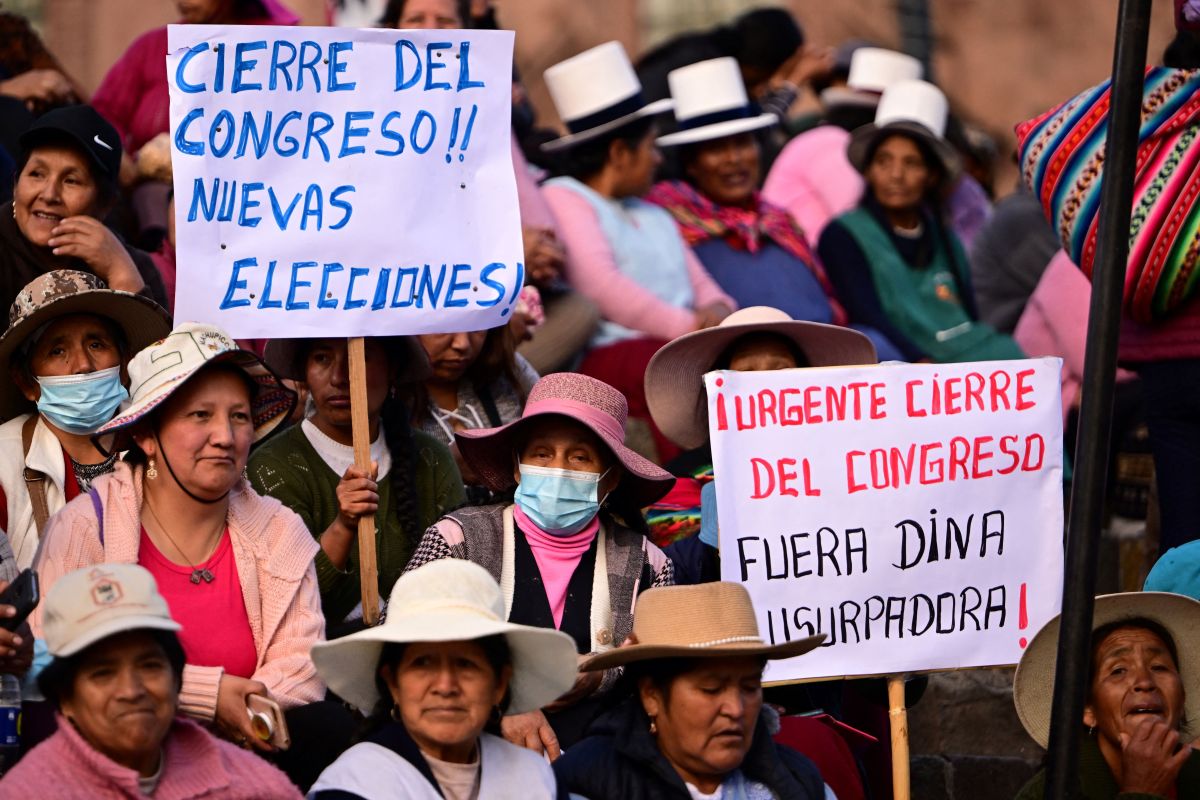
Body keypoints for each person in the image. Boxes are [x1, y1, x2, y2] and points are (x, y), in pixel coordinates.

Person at [31, 323, 340, 780]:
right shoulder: (84, 527)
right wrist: (207, 697)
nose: (225, 436)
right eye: (200, 415)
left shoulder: (278, 528)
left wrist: (247, 714)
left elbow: (304, 662)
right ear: (147, 436)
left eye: (238, 416)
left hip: (248, 756)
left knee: (328, 728)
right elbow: (54, 658)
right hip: (128, 758)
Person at [405, 371, 676, 752]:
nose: (558, 470)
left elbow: (664, 673)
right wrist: (501, 698)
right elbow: (401, 639)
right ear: (518, 467)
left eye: (580, 457)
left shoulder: (648, 564)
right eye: (542, 455)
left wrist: (600, 677)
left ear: (611, 477)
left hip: (601, 758)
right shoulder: (458, 540)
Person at [540, 41, 736, 462]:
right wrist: (692, 333)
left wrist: (719, 312)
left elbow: (704, 285)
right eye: (651, 147)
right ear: (618, 152)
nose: (658, 159)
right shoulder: (564, 196)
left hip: (682, 344)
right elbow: (600, 286)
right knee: (677, 377)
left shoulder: (656, 214)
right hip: (617, 353)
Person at [646, 57, 901, 361]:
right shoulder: (669, 223)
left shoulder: (780, 222)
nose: (734, 159)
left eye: (743, 143)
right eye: (716, 149)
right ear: (691, 164)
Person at [0, 563, 301, 798]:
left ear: (176, 679)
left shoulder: (251, 785)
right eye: (102, 673)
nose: (131, 690)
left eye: (150, 666)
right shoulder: (27, 792)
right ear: (66, 698)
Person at [307, 559, 578, 799]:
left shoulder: (534, 778)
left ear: (499, 684)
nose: (446, 686)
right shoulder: (357, 784)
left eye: (466, 664)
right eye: (423, 664)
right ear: (393, 683)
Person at [250, 336, 465, 630]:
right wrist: (343, 526)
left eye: (361, 357)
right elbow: (286, 603)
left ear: (393, 369)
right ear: (304, 371)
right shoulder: (270, 467)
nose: (340, 377)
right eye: (322, 358)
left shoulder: (431, 459)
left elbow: (462, 580)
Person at [553, 581, 829, 799]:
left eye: (749, 687)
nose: (735, 709)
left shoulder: (797, 779)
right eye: (711, 689)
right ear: (652, 696)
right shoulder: (583, 783)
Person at [643, 306, 876, 563]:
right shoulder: (680, 482)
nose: (764, 385)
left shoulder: (849, 468)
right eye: (747, 373)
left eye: (781, 370)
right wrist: (711, 542)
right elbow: (673, 575)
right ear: (716, 391)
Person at [817, 79, 1023, 364]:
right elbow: (867, 316)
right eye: (883, 162)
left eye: (911, 163)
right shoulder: (842, 235)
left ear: (932, 175)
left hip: (965, 355)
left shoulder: (944, 237)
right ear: (869, 170)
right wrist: (919, 361)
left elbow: (968, 315)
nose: (896, 175)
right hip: (906, 364)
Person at [0, 271, 170, 570]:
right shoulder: (4, 460)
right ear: (27, 382)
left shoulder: (166, 438)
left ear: (124, 363)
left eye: (96, 345)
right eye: (57, 351)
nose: (83, 366)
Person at [1012, 591, 1200, 798]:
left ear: (1182, 699)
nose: (1144, 682)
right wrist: (1142, 791)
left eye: (1159, 667)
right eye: (1118, 670)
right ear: (1088, 710)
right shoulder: (1046, 793)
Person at [0, 105, 168, 313]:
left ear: (105, 204)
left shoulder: (134, 266)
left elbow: (156, 345)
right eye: (37, 174)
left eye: (71, 181)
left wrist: (121, 275)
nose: (49, 195)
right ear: (16, 184)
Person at [412, 328, 537, 501]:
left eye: (477, 328)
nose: (463, 344)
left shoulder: (508, 370)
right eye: (444, 325)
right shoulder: (382, 396)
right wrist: (444, 466)